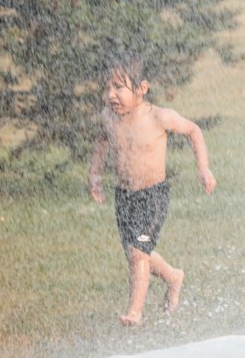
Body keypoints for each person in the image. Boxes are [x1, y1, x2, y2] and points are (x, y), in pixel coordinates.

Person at [88, 51, 217, 326]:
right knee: (137, 253)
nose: (111, 95)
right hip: (124, 197)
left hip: (152, 197)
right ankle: (173, 277)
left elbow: (194, 130)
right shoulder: (108, 119)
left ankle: (135, 313)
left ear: (142, 89)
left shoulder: (159, 117)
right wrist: (95, 175)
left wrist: (203, 168)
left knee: (138, 254)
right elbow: (100, 143)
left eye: (119, 87)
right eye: (107, 87)